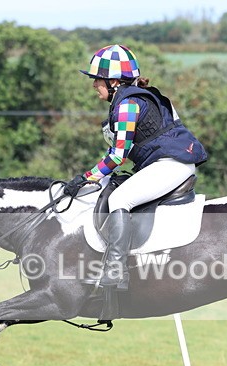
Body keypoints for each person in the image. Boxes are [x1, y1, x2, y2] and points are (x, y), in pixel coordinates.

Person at [64, 44, 207, 290]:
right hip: (166, 163)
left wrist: (87, 176)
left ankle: (116, 271)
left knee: (119, 199)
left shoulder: (128, 105)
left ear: (114, 82)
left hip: (171, 165)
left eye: (97, 79)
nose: (93, 85)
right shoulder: (136, 98)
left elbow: (118, 155)